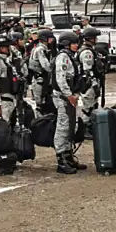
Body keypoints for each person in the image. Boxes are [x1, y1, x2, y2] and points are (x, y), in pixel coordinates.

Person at [52, 32, 86, 175]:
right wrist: (69, 95)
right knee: (63, 127)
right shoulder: (63, 57)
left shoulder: (70, 56)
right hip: (63, 97)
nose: (76, 45)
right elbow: (61, 79)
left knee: (72, 125)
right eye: (74, 43)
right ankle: (61, 160)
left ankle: (68, 156)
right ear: (66, 43)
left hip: (70, 96)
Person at [28, 29, 56, 113]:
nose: (52, 40)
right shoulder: (40, 49)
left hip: (42, 79)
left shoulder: (43, 48)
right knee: (41, 105)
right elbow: (46, 66)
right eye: (50, 38)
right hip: (40, 80)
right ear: (44, 39)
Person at [78, 27, 103, 115]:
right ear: (91, 38)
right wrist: (94, 84)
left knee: (94, 107)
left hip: (90, 83)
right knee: (89, 109)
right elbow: (87, 70)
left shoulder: (89, 49)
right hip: (88, 84)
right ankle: (86, 127)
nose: (97, 39)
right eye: (95, 37)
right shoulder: (87, 52)